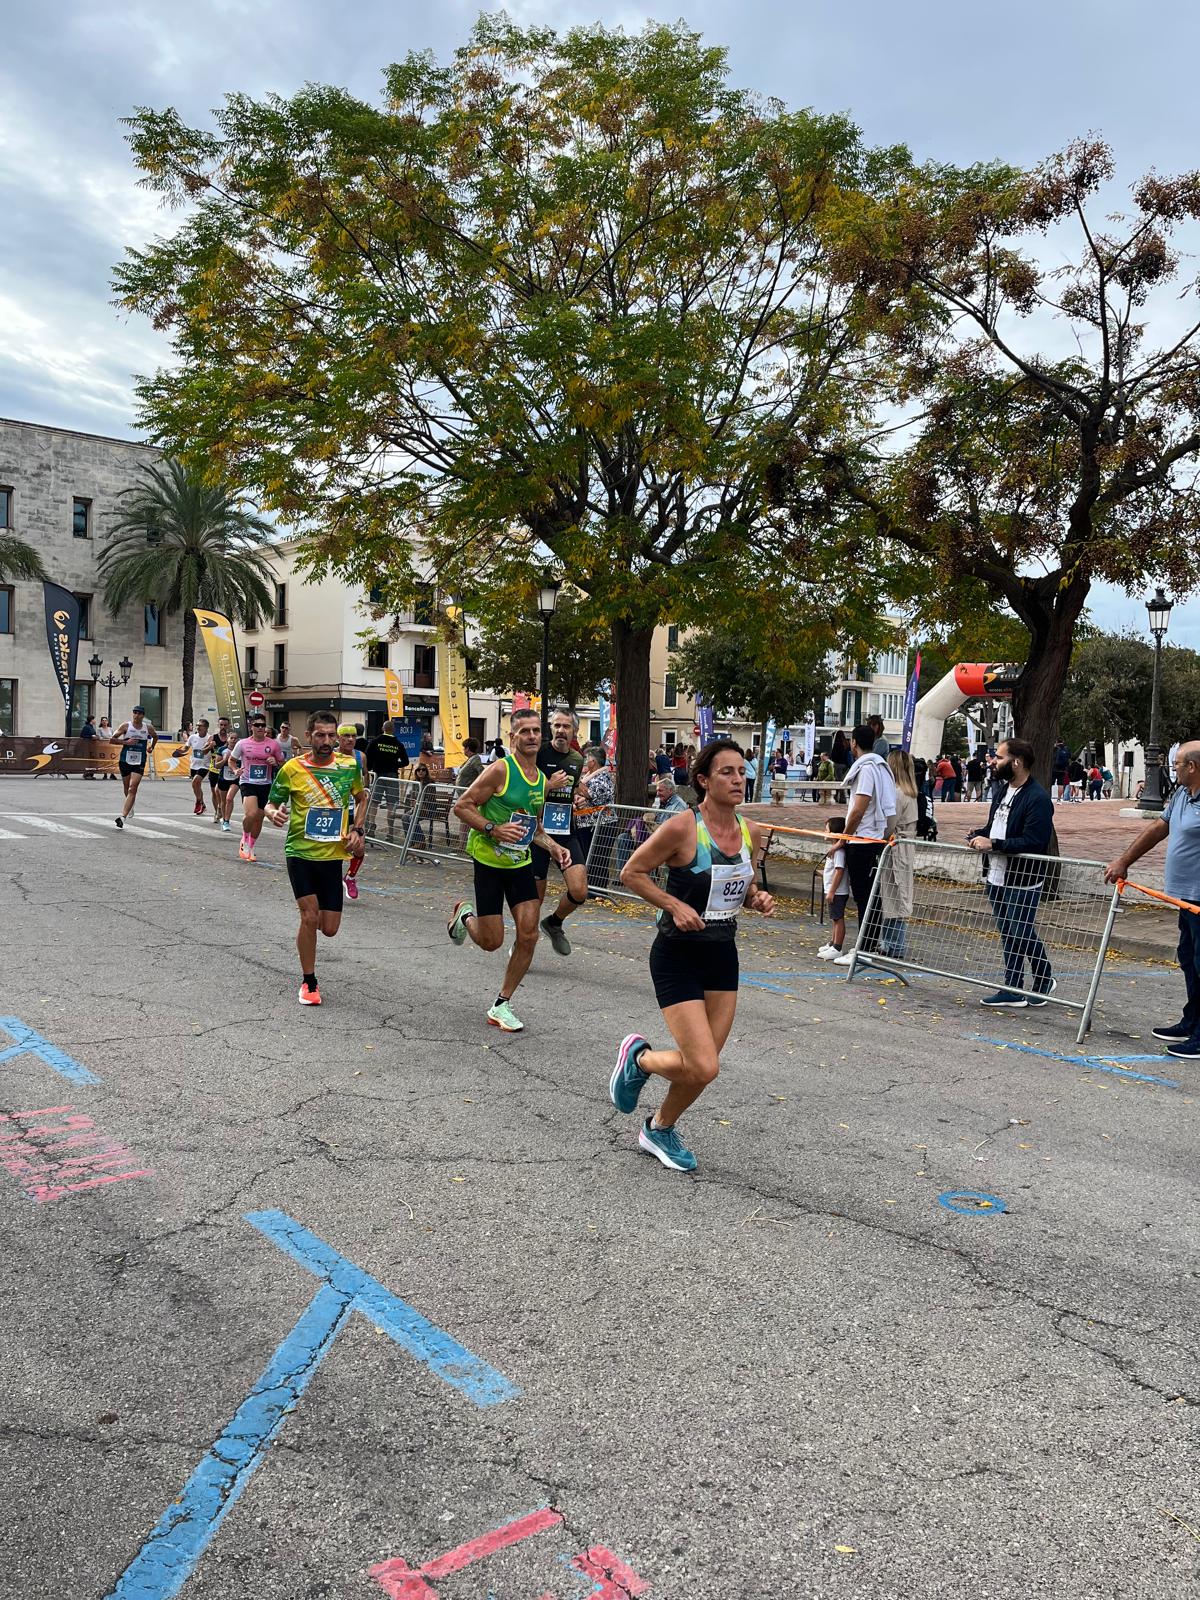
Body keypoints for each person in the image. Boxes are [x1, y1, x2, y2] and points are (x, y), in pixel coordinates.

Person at [609, 740, 775, 1172]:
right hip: (677, 955)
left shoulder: (751, 832)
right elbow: (631, 872)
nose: (738, 779)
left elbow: (743, 884)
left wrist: (756, 898)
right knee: (703, 1065)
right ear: (703, 780)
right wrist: (673, 905)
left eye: (741, 771)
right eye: (726, 772)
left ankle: (659, 1128)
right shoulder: (683, 827)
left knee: (704, 1068)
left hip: (722, 955)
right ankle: (640, 1059)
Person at [447, 708, 571, 1032]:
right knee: (492, 942)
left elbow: (534, 827)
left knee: (529, 935)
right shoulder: (500, 770)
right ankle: (465, 916)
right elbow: (462, 806)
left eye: (536, 731)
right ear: (513, 737)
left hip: (519, 864)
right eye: (524, 731)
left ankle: (501, 1003)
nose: (531, 736)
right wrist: (493, 828)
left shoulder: (540, 780)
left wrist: (554, 847)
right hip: (489, 862)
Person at [1104, 740, 1200, 1057]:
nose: (1173, 770)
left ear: (1192, 767)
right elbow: (1158, 828)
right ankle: (1192, 1021)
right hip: (1186, 899)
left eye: (1177, 765)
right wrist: (1124, 861)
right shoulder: (1183, 794)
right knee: (1189, 960)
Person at [264, 710, 367, 1005]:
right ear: (309, 736)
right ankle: (309, 982)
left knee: (330, 928)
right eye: (320, 735)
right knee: (309, 917)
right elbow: (271, 803)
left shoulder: (348, 766)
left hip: (332, 856)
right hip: (300, 853)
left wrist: (358, 829)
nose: (326, 741)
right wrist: (274, 814)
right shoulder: (292, 768)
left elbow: (362, 798)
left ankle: (308, 933)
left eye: (331, 735)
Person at [968, 736, 1056, 1008]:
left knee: (1020, 930)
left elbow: (1034, 841)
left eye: (999, 757)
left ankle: (1037, 978)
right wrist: (979, 834)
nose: (993, 761)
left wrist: (993, 844)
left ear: (1016, 762)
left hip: (1022, 877)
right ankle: (1018, 985)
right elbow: (996, 826)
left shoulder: (1037, 798)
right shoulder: (1002, 791)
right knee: (1009, 931)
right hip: (996, 874)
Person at [833, 724, 898, 965]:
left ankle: (864, 949)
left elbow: (859, 809)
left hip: (863, 839)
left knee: (865, 896)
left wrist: (844, 837)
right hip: (872, 837)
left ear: (853, 743)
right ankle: (866, 946)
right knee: (868, 895)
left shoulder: (868, 768)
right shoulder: (879, 766)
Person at [532, 709, 589, 956]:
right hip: (538, 833)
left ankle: (554, 923)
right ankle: (524, 942)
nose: (561, 731)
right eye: (556, 726)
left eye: (566, 726)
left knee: (579, 891)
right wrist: (548, 785)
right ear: (551, 728)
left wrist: (577, 796)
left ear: (574, 731)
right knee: (534, 900)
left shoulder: (577, 758)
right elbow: (525, 790)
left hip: (565, 830)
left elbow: (571, 788)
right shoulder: (539, 753)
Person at [878, 750, 919, 958]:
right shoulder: (910, 793)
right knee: (896, 894)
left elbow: (889, 824)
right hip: (905, 847)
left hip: (895, 847)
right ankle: (891, 942)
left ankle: (895, 944)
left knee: (893, 896)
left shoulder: (896, 794)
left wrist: (879, 837)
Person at [231, 714, 284, 863]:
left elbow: (283, 763)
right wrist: (235, 770)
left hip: (265, 784)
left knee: (259, 818)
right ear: (251, 727)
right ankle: (245, 838)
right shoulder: (242, 743)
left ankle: (251, 846)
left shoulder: (273, 744)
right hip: (247, 782)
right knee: (251, 813)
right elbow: (232, 760)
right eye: (257, 725)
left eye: (262, 725)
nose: (260, 728)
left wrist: (275, 762)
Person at [111, 706, 158, 828]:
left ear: (143, 715)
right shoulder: (126, 726)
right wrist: (126, 742)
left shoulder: (148, 728)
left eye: (139, 713)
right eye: (134, 713)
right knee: (127, 787)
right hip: (125, 760)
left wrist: (151, 747)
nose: (136, 715)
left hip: (139, 761)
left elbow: (155, 736)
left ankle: (123, 817)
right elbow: (112, 740)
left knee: (133, 788)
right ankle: (130, 804)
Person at [817, 816, 848, 959]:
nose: (825, 832)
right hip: (833, 890)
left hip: (837, 892)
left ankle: (837, 947)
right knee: (834, 918)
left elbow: (839, 871)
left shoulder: (839, 852)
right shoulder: (835, 850)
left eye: (827, 830)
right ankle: (833, 942)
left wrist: (832, 891)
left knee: (838, 918)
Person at [185, 718, 211, 812]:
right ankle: (202, 804)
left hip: (205, 765)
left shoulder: (210, 738)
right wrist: (180, 752)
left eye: (200, 726)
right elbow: (186, 747)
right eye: (197, 725)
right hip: (194, 765)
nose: (198, 727)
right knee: (197, 786)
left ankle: (198, 802)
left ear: (206, 727)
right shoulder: (192, 737)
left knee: (195, 782)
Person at [79, 713, 98, 779]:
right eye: (94, 719)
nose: (95, 721)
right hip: (87, 746)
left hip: (91, 746)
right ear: (91, 720)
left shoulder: (91, 727)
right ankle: (87, 774)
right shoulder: (86, 727)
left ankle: (90, 774)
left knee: (91, 760)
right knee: (88, 760)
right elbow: (82, 735)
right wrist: (91, 736)